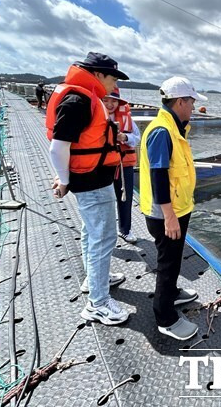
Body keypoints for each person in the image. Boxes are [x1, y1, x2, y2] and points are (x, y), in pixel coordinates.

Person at [46, 52, 129, 326]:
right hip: (91, 182)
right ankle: (98, 303)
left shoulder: (85, 97)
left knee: (90, 232)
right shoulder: (78, 99)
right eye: (112, 77)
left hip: (94, 178)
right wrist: (63, 179)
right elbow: (58, 146)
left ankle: (94, 280)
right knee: (102, 237)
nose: (114, 83)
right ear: (98, 74)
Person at [139, 76, 207, 340]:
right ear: (180, 101)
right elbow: (158, 176)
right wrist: (168, 216)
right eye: (190, 102)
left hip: (178, 209)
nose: (192, 107)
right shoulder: (161, 131)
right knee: (167, 263)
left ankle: (173, 293)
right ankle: (165, 317)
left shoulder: (176, 128)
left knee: (175, 258)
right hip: (166, 213)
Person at [102, 88, 141, 243]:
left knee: (126, 198)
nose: (110, 104)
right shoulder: (94, 116)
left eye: (114, 100)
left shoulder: (127, 119)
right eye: (106, 100)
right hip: (102, 165)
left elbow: (136, 138)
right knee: (103, 199)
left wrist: (124, 136)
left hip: (123, 164)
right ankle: (104, 233)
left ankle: (125, 230)